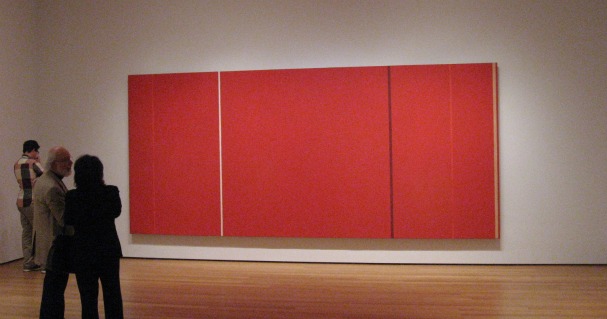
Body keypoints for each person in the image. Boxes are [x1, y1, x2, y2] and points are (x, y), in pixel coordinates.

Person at [65, 155, 124, 319]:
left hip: (83, 251)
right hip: (108, 250)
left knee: (88, 298)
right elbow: (116, 212)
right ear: (100, 173)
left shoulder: (72, 196)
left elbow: (68, 220)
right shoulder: (111, 192)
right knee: (112, 294)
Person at [33, 146, 73, 319]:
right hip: (55, 246)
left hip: (50, 244)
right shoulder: (52, 187)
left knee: (52, 289)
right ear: (54, 163)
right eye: (66, 160)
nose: (70, 163)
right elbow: (64, 219)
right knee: (55, 290)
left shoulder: (47, 180)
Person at [14, 140, 44, 271]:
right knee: (40, 231)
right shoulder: (33, 163)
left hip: (21, 200)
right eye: (36, 151)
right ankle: (44, 264)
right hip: (32, 200)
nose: (37, 153)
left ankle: (28, 263)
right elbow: (46, 176)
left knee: (27, 232)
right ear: (32, 150)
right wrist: (39, 160)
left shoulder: (16, 164)